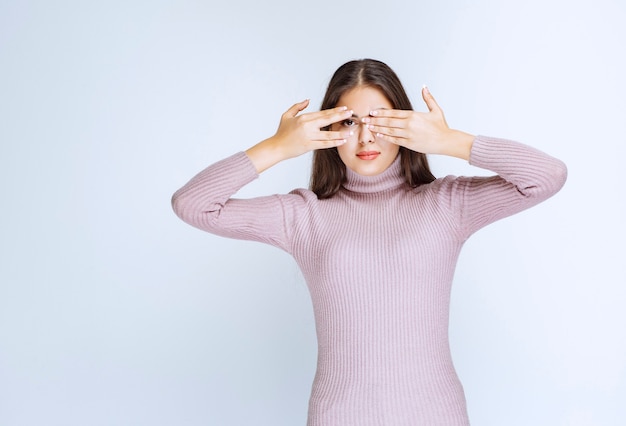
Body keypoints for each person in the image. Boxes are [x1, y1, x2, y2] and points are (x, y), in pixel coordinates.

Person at [171, 59, 567, 426]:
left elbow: (547, 176)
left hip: (435, 415)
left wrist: (449, 141)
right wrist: (278, 147)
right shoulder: (303, 215)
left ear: (407, 125)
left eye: (380, 120)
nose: (365, 136)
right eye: (349, 122)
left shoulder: (447, 203)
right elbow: (193, 205)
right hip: (338, 415)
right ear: (326, 129)